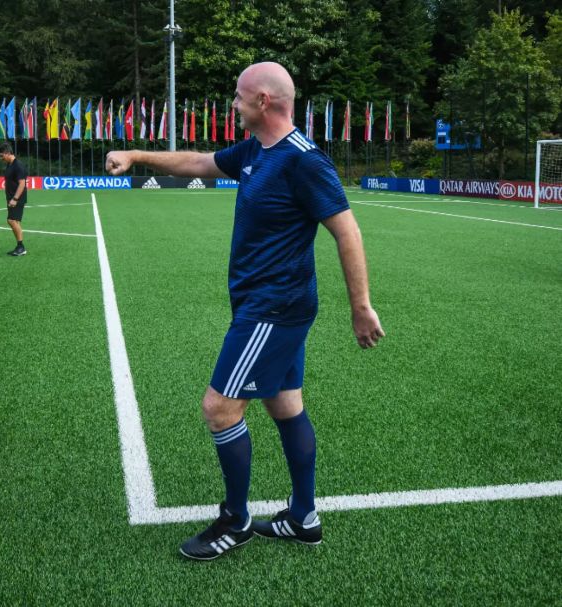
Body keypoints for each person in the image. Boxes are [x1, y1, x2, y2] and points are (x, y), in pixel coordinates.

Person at [106, 62, 385, 560]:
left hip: (275, 307)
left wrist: (360, 307)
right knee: (285, 404)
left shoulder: (303, 160)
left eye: (237, 97)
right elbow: (197, 163)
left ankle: (235, 520)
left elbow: (347, 230)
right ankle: (303, 518)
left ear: (263, 101)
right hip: (264, 303)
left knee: (219, 407)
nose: (231, 104)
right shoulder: (256, 151)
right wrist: (136, 154)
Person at [0, 142, 28, 256]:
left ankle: (21, 247)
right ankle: (19, 247)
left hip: (17, 198)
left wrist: (15, 199)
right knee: (15, 221)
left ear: (7, 153)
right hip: (12, 197)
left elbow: (22, 184)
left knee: (11, 220)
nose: (1, 158)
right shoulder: (10, 164)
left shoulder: (18, 165)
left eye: (1, 155)